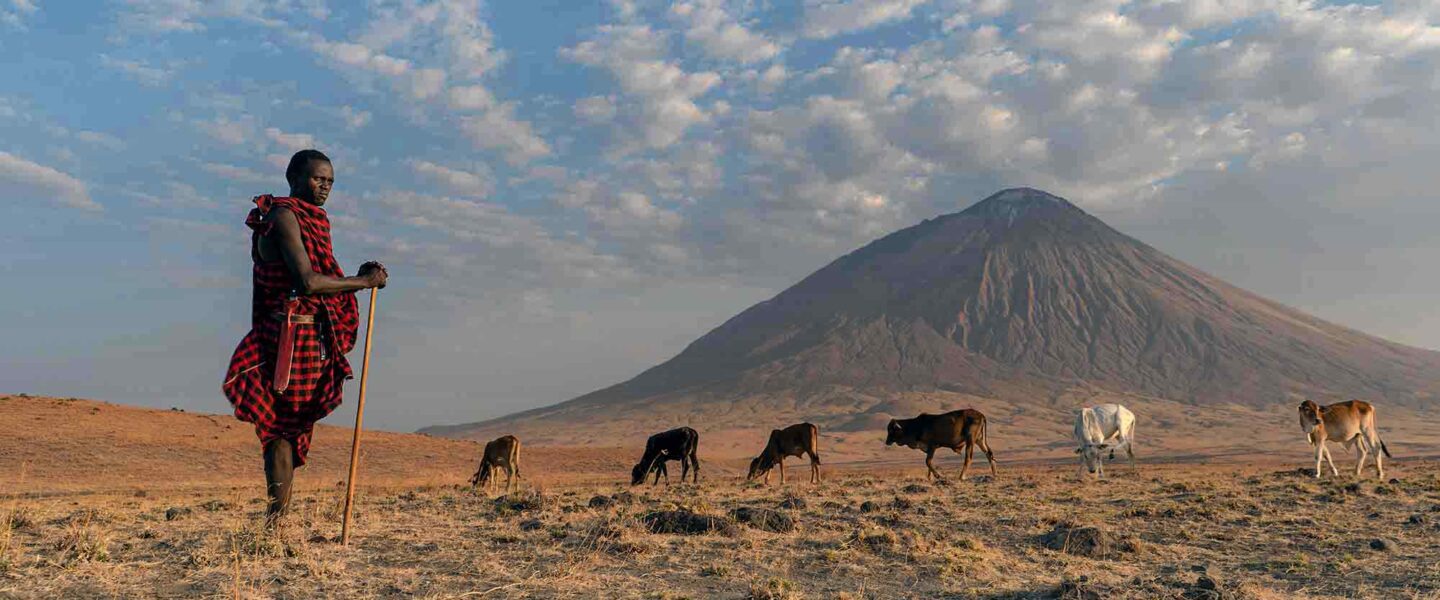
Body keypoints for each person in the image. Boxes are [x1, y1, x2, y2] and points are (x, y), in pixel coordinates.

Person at [222, 149, 388, 526]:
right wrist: (363, 282)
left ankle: (278, 521)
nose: (325, 187)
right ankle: (276, 522)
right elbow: (308, 282)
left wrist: (358, 277)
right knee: (279, 428)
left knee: (287, 428)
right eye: (317, 179)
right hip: (285, 339)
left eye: (330, 181)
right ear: (294, 179)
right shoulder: (283, 217)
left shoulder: (313, 219)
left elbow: (320, 277)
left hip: (307, 337)